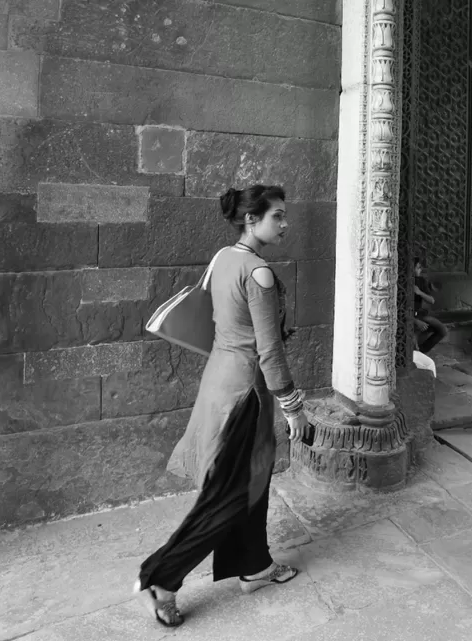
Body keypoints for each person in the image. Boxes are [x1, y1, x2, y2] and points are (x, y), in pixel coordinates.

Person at [136, 185, 307, 627]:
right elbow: (269, 352)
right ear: (252, 219)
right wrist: (293, 407)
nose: (285, 224)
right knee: (230, 494)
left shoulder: (222, 258)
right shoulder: (260, 273)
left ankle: (255, 564)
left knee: (252, 482)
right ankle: (162, 577)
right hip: (246, 391)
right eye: (278, 216)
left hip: (220, 379)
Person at [413, 257, 448, 354]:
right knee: (414, 336)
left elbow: (431, 300)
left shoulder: (421, 281)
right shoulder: (402, 280)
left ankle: (422, 352)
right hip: (409, 317)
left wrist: (419, 292)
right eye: (417, 267)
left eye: (420, 268)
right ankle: (415, 351)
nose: (420, 270)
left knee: (442, 330)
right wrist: (416, 321)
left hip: (420, 314)